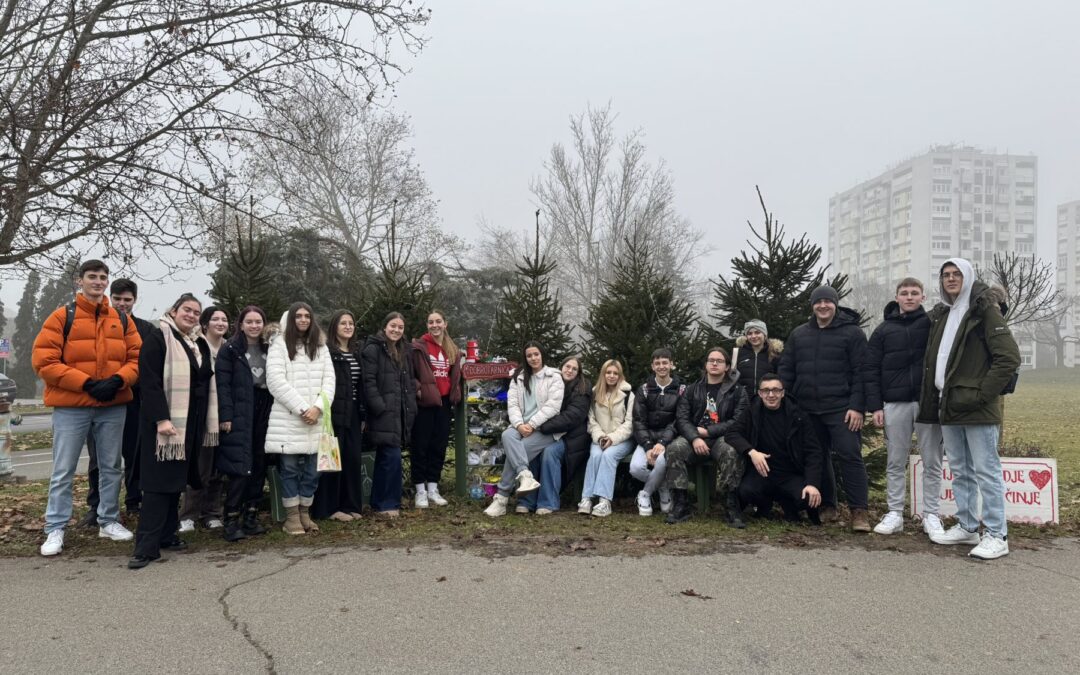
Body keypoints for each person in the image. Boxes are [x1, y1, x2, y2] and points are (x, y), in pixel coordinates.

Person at [34, 260, 141, 557]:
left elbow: (137, 358)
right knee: (63, 469)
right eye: (92, 276)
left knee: (111, 467)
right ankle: (55, 527)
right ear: (79, 281)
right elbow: (44, 362)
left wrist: (119, 380)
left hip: (112, 405)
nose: (98, 281)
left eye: (103, 277)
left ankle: (108, 520)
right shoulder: (61, 317)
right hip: (71, 406)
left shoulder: (122, 320)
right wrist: (86, 384)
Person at [920, 258, 1020, 560]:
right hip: (948, 404)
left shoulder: (985, 311)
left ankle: (997, 534)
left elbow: (1008, 358)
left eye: (957, 274)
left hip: (976, 407)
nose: (951, 279)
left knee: (986, 471)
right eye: (946, 275)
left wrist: (981, 394)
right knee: (960, 470)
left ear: (968, 277)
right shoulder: (944, 314)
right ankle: (967, 526)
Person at [128, 293, 217, 569]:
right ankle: (145, 548)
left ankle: (167, 535)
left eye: (196, 312)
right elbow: (149, 382)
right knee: (158, 486)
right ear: (174, 311)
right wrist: (161, 419)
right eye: (186, 310)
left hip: (190, 424)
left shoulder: (198, 343)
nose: (191, 315)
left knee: (175, 483)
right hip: (164, 425)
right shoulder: (159, 338)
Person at [778, 285, 870, 532]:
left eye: (828, 301)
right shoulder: (799, 334)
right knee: (818, 457)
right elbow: (787, 369)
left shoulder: (852, 333)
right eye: (818, 302)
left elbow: (861, 373)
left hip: (842, 408)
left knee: (850, 455)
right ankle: (828, 505)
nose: (823, 306)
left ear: (835, 304)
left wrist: (857, 406)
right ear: (812, 306)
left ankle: (859, 511)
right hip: (807, 408)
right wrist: (786, 401)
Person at [864, 278, 944, 538]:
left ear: (923, 297)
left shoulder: (932, 325)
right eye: (904, 293)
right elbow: (871, 370)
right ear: (896, 297)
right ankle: (895, 513)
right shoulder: (882, 331)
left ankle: (931, 515)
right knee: (895, 461)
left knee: (932, 461)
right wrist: (875, 406)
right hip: (894, 404)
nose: (909, 297)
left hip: (928, 403)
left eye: (914, 293)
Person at [78, 278, 155, 527]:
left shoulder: (146, 330)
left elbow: (148, 367)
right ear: (111, 298)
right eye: (118, 299)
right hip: (100, 400)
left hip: (133, 400)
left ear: (135, 300)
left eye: (127, 299)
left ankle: (134, 500)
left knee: (134, 454)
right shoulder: (97, 322)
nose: (122, 303)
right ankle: (96, 505)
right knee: (98, 457)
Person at [265, 303, 335, 534]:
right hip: (290, 419)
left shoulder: (321, 346)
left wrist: (318, 408)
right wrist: (303, 409)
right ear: (291, 319)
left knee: (314, 471)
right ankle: (292, 517)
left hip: (316, 419)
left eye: (307, 316)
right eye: (298, 316)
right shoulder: (279, 344)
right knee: (289, 469)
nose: (303, 319)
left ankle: (305, 512)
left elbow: (329, 381)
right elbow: (275, 381)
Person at [662, 347, 749, 526]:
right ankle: (681, 504)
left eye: (719, 361)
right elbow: (682, 418)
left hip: (722, 438)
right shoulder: (692, 389)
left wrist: (709, 432)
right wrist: (695, 438)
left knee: (731, 451)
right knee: (674, 449)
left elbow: (739, 421)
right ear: (706, 365)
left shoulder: (738, 391)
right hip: (694, 438)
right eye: (711, 360)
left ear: (727, 367)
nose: (715, 363)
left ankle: (730, 505)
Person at [726, 374, 824, 523]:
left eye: (776, 390)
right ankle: (764, 505)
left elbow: (814, 451)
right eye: (766, 390)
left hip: (790, 474)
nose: (771, 395)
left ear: (782, 393)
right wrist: (752, 452)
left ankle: (788, 504)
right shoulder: (752, 412)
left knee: (808, 498)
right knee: (746, 492)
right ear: (760, 393)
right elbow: (731, 433)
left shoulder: (798, 415)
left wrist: (812, 484)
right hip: (762, 473)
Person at [484, 342, 564, 517]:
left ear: (542, 355)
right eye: (529, 356)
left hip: (545, 428)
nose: (533, 358)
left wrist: (532, 424)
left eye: (536, 354)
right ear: (525, 358)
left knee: (520, 450)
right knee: (507, 434)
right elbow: (512, 405)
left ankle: (501, 498)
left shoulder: (554, 377)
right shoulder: (518, 378)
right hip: (521, 425)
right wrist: (520, 425)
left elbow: (553, 406)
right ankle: (525, 475)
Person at [215, 306, 273, 542]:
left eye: (258, 321)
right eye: (249, 322)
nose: (254, 326)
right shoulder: (230, 349)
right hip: (240, 409)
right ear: (240, 324)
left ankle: (251, 517)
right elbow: (222, 386)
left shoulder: (270, 348)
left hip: (265, 406)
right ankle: (231, 520)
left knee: (259, 462)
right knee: (240, 465)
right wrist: (226, 416)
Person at [518, 356, 592, 515]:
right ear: (561, 367)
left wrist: (540, 426)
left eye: (574, 369)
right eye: (567, 367)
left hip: (573, 438)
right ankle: (527, 501)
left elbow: (572, 417)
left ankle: (548, 502)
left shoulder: (582, 388)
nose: (570, 371)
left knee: (549, 452)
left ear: (578, 373)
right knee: (532, 448)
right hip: (551, 433)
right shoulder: (551, 383)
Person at [178, 306, 229, 532]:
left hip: (225, 414)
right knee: (200, 466)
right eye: (215, 319)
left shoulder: (229, 348)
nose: (220, 323)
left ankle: (212, 512)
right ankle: (188, 514)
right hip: (203, 414)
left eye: (224, 319)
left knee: (218, 468)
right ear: (205, 324)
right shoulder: (196, 346)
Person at [312, 310, 366, 521]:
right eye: (343, 323)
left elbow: (361, 386)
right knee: (332, 459)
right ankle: (329, 508)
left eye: (351, 323)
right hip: (332, 413)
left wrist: (362, 414)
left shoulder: (356, 352)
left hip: (353, 413)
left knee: (352, 459)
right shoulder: (327, 351)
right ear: (335, 326)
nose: (348, 327)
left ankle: (351, 505)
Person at [361, 312, 416, 518]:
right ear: (385, 327)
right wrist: (379, 406)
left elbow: (408, 380)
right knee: (391, 457)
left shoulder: (404, 350)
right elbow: (368, 382)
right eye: (393, 326)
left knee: (388, 457)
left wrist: (410, 404)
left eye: (400, 327)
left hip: (400, 412)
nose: (396, 330)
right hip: (383, 412)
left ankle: (381, 501)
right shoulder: (373, 349)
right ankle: (387, 503)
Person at [410, 310, 462, 508]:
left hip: (444, 402)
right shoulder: (419, 347)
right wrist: (418, 389)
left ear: (445, 324)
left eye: (438, 321)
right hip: (425, 403)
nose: (435, 325)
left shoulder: (452, 348)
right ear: (427, 325)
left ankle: (433, 488)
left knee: (438, 446)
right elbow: (409, 373)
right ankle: (420, 491)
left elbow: (454, 374)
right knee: (420, 446)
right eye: (431, 322)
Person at [627, 348, 684, 517]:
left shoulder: (681, 389)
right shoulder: (644, 389)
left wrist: (663, 443)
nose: (661, 366)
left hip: (669, 439)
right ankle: (663, 486)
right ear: (652, 366)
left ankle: (645, 494)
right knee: (635, 468)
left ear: (672, 364)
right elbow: (639, 421)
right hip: (647, 439)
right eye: (657, 363)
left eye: (665, 362)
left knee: (660, 463)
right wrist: (647, 445)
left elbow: (679, 420)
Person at [577, 359, 635, 517]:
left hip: (622, 439)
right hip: (600, 438)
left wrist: (612, 438)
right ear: (603, 374)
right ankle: (586, 499)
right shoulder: (595, 394)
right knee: (595, 455)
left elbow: (629, 424)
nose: (611, 376)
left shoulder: (628, 394)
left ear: (620, 375)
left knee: (608, 455)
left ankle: (604, 502)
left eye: (615, 373)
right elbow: (591, 421)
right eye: (608, 372)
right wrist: (601, 437)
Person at [733, 319, 783, 397]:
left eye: (757, 332)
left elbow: (781, 379)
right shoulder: (738, 353)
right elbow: (732, 378)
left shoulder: (774, 354)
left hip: (767, 399)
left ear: (764, 334)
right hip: (743, 399)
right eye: (749, 333)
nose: (753, 336)